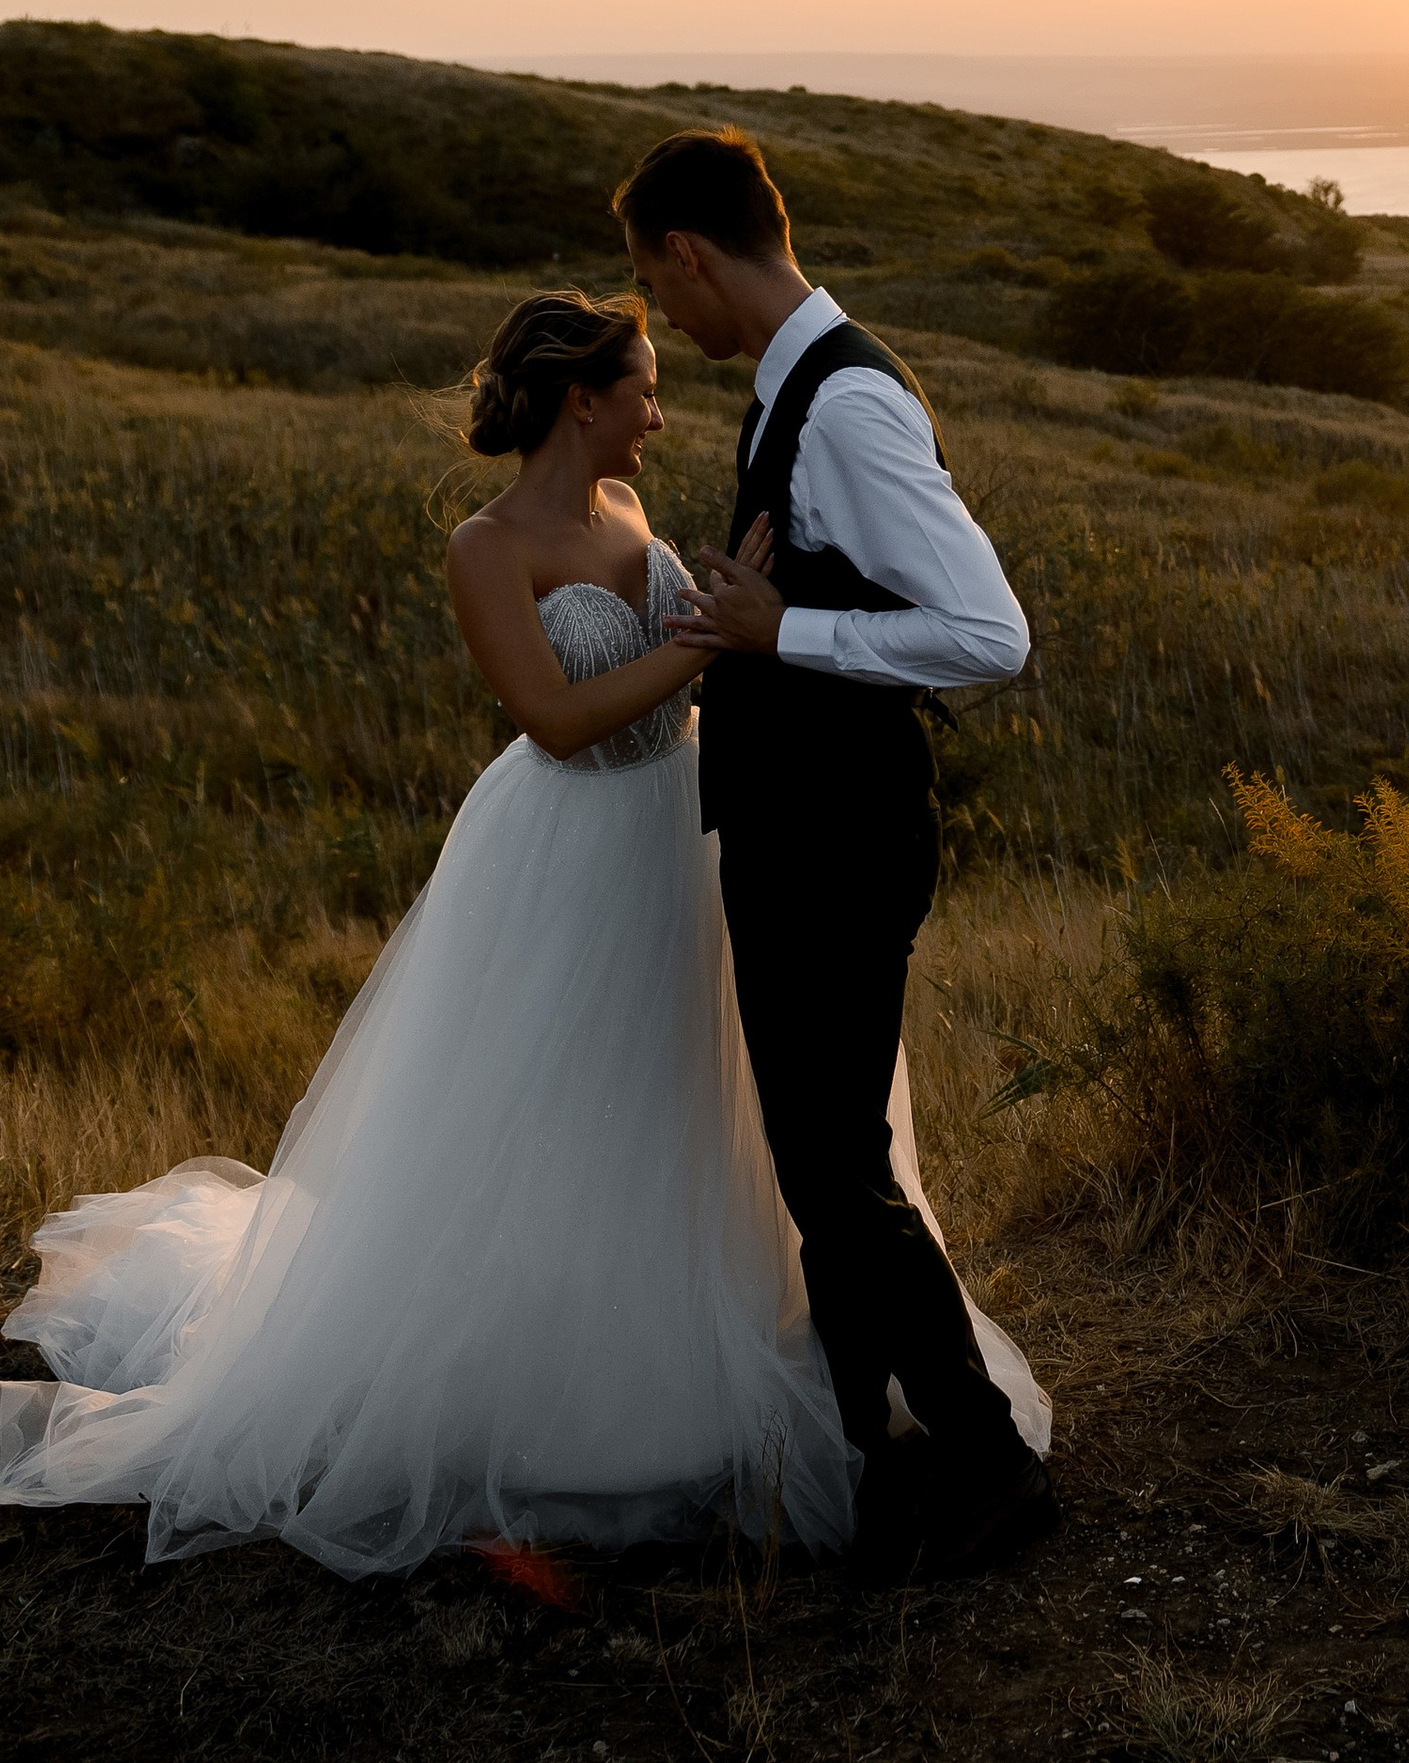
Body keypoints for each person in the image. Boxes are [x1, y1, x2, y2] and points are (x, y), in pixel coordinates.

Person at [0, 288, 1046, 1579]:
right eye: (642, 393)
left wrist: (735, 628)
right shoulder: (484, 545)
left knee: (691, 1109)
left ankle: (737, 1345)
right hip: (572, 846)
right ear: (579, 401)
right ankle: (575, 1395)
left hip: (685, 830)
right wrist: (724, 639)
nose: (661, 416)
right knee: (564, 1115)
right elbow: (557, 716)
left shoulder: (627, 510)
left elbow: (672, 662)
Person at [614, 125, 1055, 1578]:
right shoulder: (787, 384)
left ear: (690, 251)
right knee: (820, 1163)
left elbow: (990, 636)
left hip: (841, 836)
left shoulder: (846, 403)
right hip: (801, 828)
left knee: (837, 1166)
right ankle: (878, 1457)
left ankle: (981, 1461)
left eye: (652, 280)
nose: (658, 316)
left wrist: (776, 631)